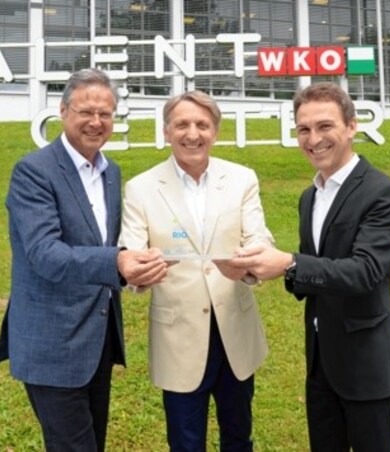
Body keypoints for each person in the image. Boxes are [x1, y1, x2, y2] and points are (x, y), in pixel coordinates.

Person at [223, 82, 390, 451]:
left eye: (325, 126)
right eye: (304, 130)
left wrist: (290, 263)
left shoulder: (383, 193)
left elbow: (366, 272)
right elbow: (316, 269)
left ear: (352, 126)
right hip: (322, 363)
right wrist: (259, 267)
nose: (314, 139)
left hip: (368, 366)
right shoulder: (310, 197)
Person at [0, 68, 168, 452]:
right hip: (51, 343)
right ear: (62, 111)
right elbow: (44, 254)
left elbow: (106, 243)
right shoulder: (33, 171)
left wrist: (138, 265)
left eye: (105, 114)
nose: (96, 122)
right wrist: (118, 263)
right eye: (86, 112)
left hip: (96, 340)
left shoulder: (110, 173)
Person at [118, 90, 274, 451]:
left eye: (202, 125)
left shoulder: (242, 179)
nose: (193, 133)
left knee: (238, 435)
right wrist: (138, 269)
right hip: (179, 336)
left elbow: (259, 237)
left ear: (215, 132)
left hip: (235, 330)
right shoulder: (141, 188)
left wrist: (251, 261)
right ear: (166, 132)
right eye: (182, 124)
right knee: (186, 442)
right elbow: (131, 251)